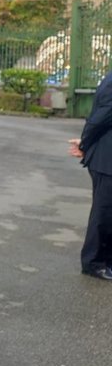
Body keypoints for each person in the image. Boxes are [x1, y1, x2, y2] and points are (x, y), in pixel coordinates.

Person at [73, 68, 112, 281]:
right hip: (106, 159)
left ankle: (106, 260)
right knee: (104, 213)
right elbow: (100, 119)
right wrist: (84, 144)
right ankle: (94, 263)